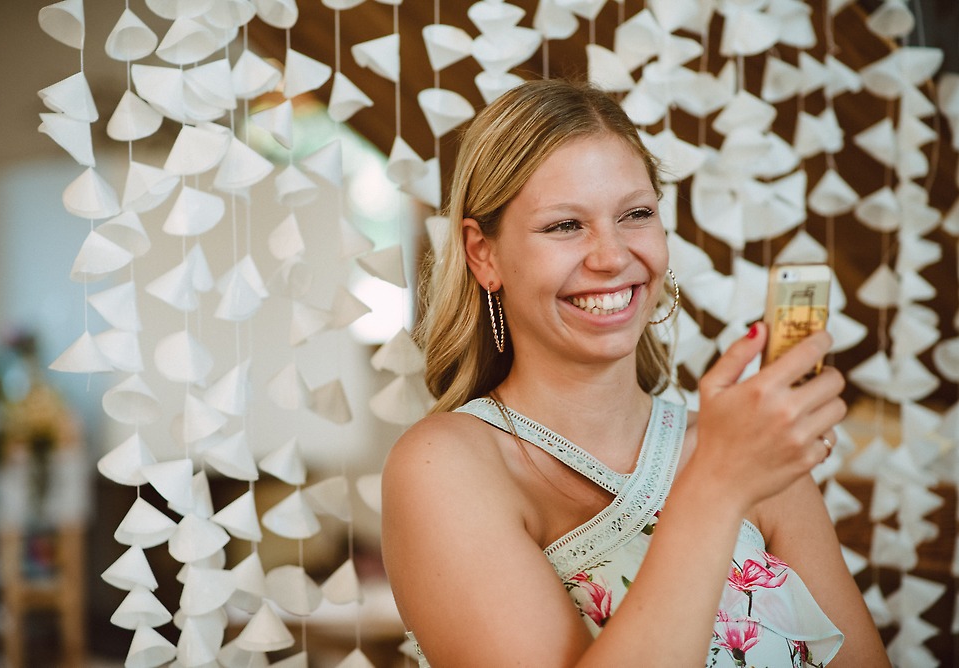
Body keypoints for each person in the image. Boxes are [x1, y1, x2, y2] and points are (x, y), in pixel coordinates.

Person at [380, 79, 888, 667]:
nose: (613, 257)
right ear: (482, 253)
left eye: (636, 215)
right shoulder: (444, 465)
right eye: (565, 225)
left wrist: (728, 463)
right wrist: (717, 487)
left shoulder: (750, 452)